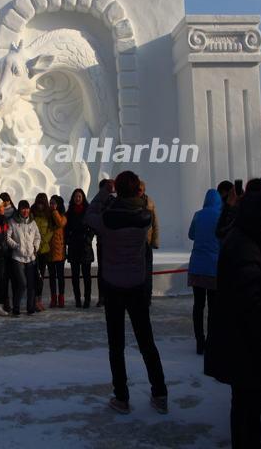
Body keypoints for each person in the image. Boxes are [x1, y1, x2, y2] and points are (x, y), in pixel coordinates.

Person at [85, 172, 168, 415]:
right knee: (147, 342)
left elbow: (89, 215)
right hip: (137, 285)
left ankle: (121, 397)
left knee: (116, 346)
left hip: (113, 286)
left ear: (117, 190)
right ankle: (160, 393)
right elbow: (138, 203)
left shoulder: (108, 218)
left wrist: (103, 195)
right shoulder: (144, 216)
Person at [204, 183, 261, 449]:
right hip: (244, 343)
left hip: (239, 341)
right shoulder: (245, 248)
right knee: (247, 405)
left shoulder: (244, 241)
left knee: (245, 405)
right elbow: (251, 302)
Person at [187, 188, 222, 356]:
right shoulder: (221, 215)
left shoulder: (198, 215)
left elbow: (191, 235)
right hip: (214, 267)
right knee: (214, 307)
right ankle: (213, 340)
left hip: (196, 266)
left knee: (198, 306)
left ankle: (199, 342)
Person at [6, 200, 41, 316]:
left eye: (27, 208)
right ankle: (16, 307)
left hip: (31, 258)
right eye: (23, 208)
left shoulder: (32, 222)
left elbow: (37, 237)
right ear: (19, 209)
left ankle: (30, 308)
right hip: (17, 258)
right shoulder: (12, 222)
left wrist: (35, 247)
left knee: (31, 284)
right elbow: (7, 237)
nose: (25, 211)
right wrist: (16, 246)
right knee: (22, 283)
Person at [66, 189, 94, 308]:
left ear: (83, 198)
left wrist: (88, 238)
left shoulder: (88, 211)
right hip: (73, 247)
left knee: (87, 276)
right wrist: (69, 239)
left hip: (85, 247)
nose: (77, 198)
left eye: (79, 196)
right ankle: (77, 299)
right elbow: (66, 229)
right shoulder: (69, 212)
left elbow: (93, 227)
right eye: (76, 196)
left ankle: (87, 299)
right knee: (75, 276)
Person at [94, 179, 114, 308]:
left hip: (112, 241)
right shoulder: (97, 203)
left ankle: (111, 296)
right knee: (102, 270)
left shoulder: (113, 201)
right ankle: (102, 297)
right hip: (102, 240)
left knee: (112, 269)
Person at [139, 181, 160, 307]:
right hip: (136, 242)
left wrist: (155, 241)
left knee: (147, 271)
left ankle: (147, 297)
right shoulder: (132, 201)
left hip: (146, 242)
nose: (139, 190)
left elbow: (155, 223)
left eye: (141, 188)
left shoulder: (149, 202)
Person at [31, 193, 53, 312]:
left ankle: (38, 300)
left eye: (42, 203)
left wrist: (43, 241)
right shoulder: (32, 213)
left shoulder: (48, 215)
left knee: (41, 276)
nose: (40, 206)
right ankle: (34, 300)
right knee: (34, 276)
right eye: (38, 203)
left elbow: (51, 230)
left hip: (44, 250)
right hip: (33, 250)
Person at [47, 195, 67, 308]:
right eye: (51, 203)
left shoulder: (63, 216)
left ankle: (61, 297)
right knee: (51, 276)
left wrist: (54, 211)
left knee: (60, 276)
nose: (52, 205)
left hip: (59, 252)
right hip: (49, 251)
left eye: (54, 203)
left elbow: (59, 223)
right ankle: (53, 298)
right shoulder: (48, 215)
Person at [0, 192, 17, 314]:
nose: (5, 202)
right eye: (3, 200)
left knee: (15, 277)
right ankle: (6, 302)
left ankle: (15, 301)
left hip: (14, 249)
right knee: (4, 278)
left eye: (6, 200)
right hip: (3, 250)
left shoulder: (15, 213)